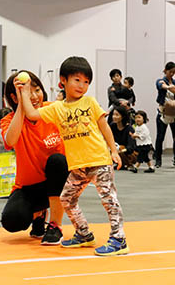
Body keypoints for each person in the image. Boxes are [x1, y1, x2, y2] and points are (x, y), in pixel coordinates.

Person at [23, 56, 128, 256]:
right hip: (78, 166)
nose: (82, 85)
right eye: (77, 80)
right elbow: (32, 114)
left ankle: (119, 239)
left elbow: (103, 126)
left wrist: (113, 150)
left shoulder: (90, 102)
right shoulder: (56, 108)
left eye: (86, 81)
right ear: (63, 80)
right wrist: (24, 92)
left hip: (99, 161)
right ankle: (84, 234)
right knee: (67, 199)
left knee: (109, 199)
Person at [0, 70, 68, 245]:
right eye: (28, 92)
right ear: (15, 98)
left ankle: (55, 225)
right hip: (29, 187)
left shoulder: (52, 109)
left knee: (57, 161)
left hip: (59, 181)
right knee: (12, 220)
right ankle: (38, 215)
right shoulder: (9, 120)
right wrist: (23, 105)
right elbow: (10, 140)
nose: (35, 96)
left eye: (37, 90)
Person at [154, 61, 175, 168]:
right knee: (160, 137)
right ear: (165, 70)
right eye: (170, 72)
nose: (172, 74)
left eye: (174, 72)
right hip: (163, 113)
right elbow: (160, 85)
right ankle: (158, 160)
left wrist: (171, 88)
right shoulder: (160, 80)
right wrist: (168, 87)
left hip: (174, 113)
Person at [110, 106, 137, 172]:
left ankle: (126, 164)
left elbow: (131, 147)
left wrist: (120, 151)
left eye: (117, 115)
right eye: (113, 114)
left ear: (123, 116)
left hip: (128, 153)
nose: (114, 117)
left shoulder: (129, 129)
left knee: (120, 148)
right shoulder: (112, 126)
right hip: (116, 150)